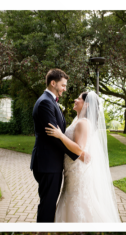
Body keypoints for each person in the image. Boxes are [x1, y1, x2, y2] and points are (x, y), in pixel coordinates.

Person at [43, 90, 120, 223]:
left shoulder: (83, 123)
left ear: (87, 105)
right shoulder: (76, 121)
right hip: (71, 168)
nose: (75, 100)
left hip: (78, 170)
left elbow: (79, 149)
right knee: (71, 199)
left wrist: (60, 135)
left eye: (79, 99)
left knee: (77, 201)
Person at [32, 69, 80, 222]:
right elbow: (54, 136)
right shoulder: (45, 102)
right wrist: (76, 153)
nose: (65, 89)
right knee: (48, 206)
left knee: (49, 204)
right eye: (63, 85)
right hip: (48, 164)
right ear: (53, 83)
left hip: (50, 164)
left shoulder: (49, 101)